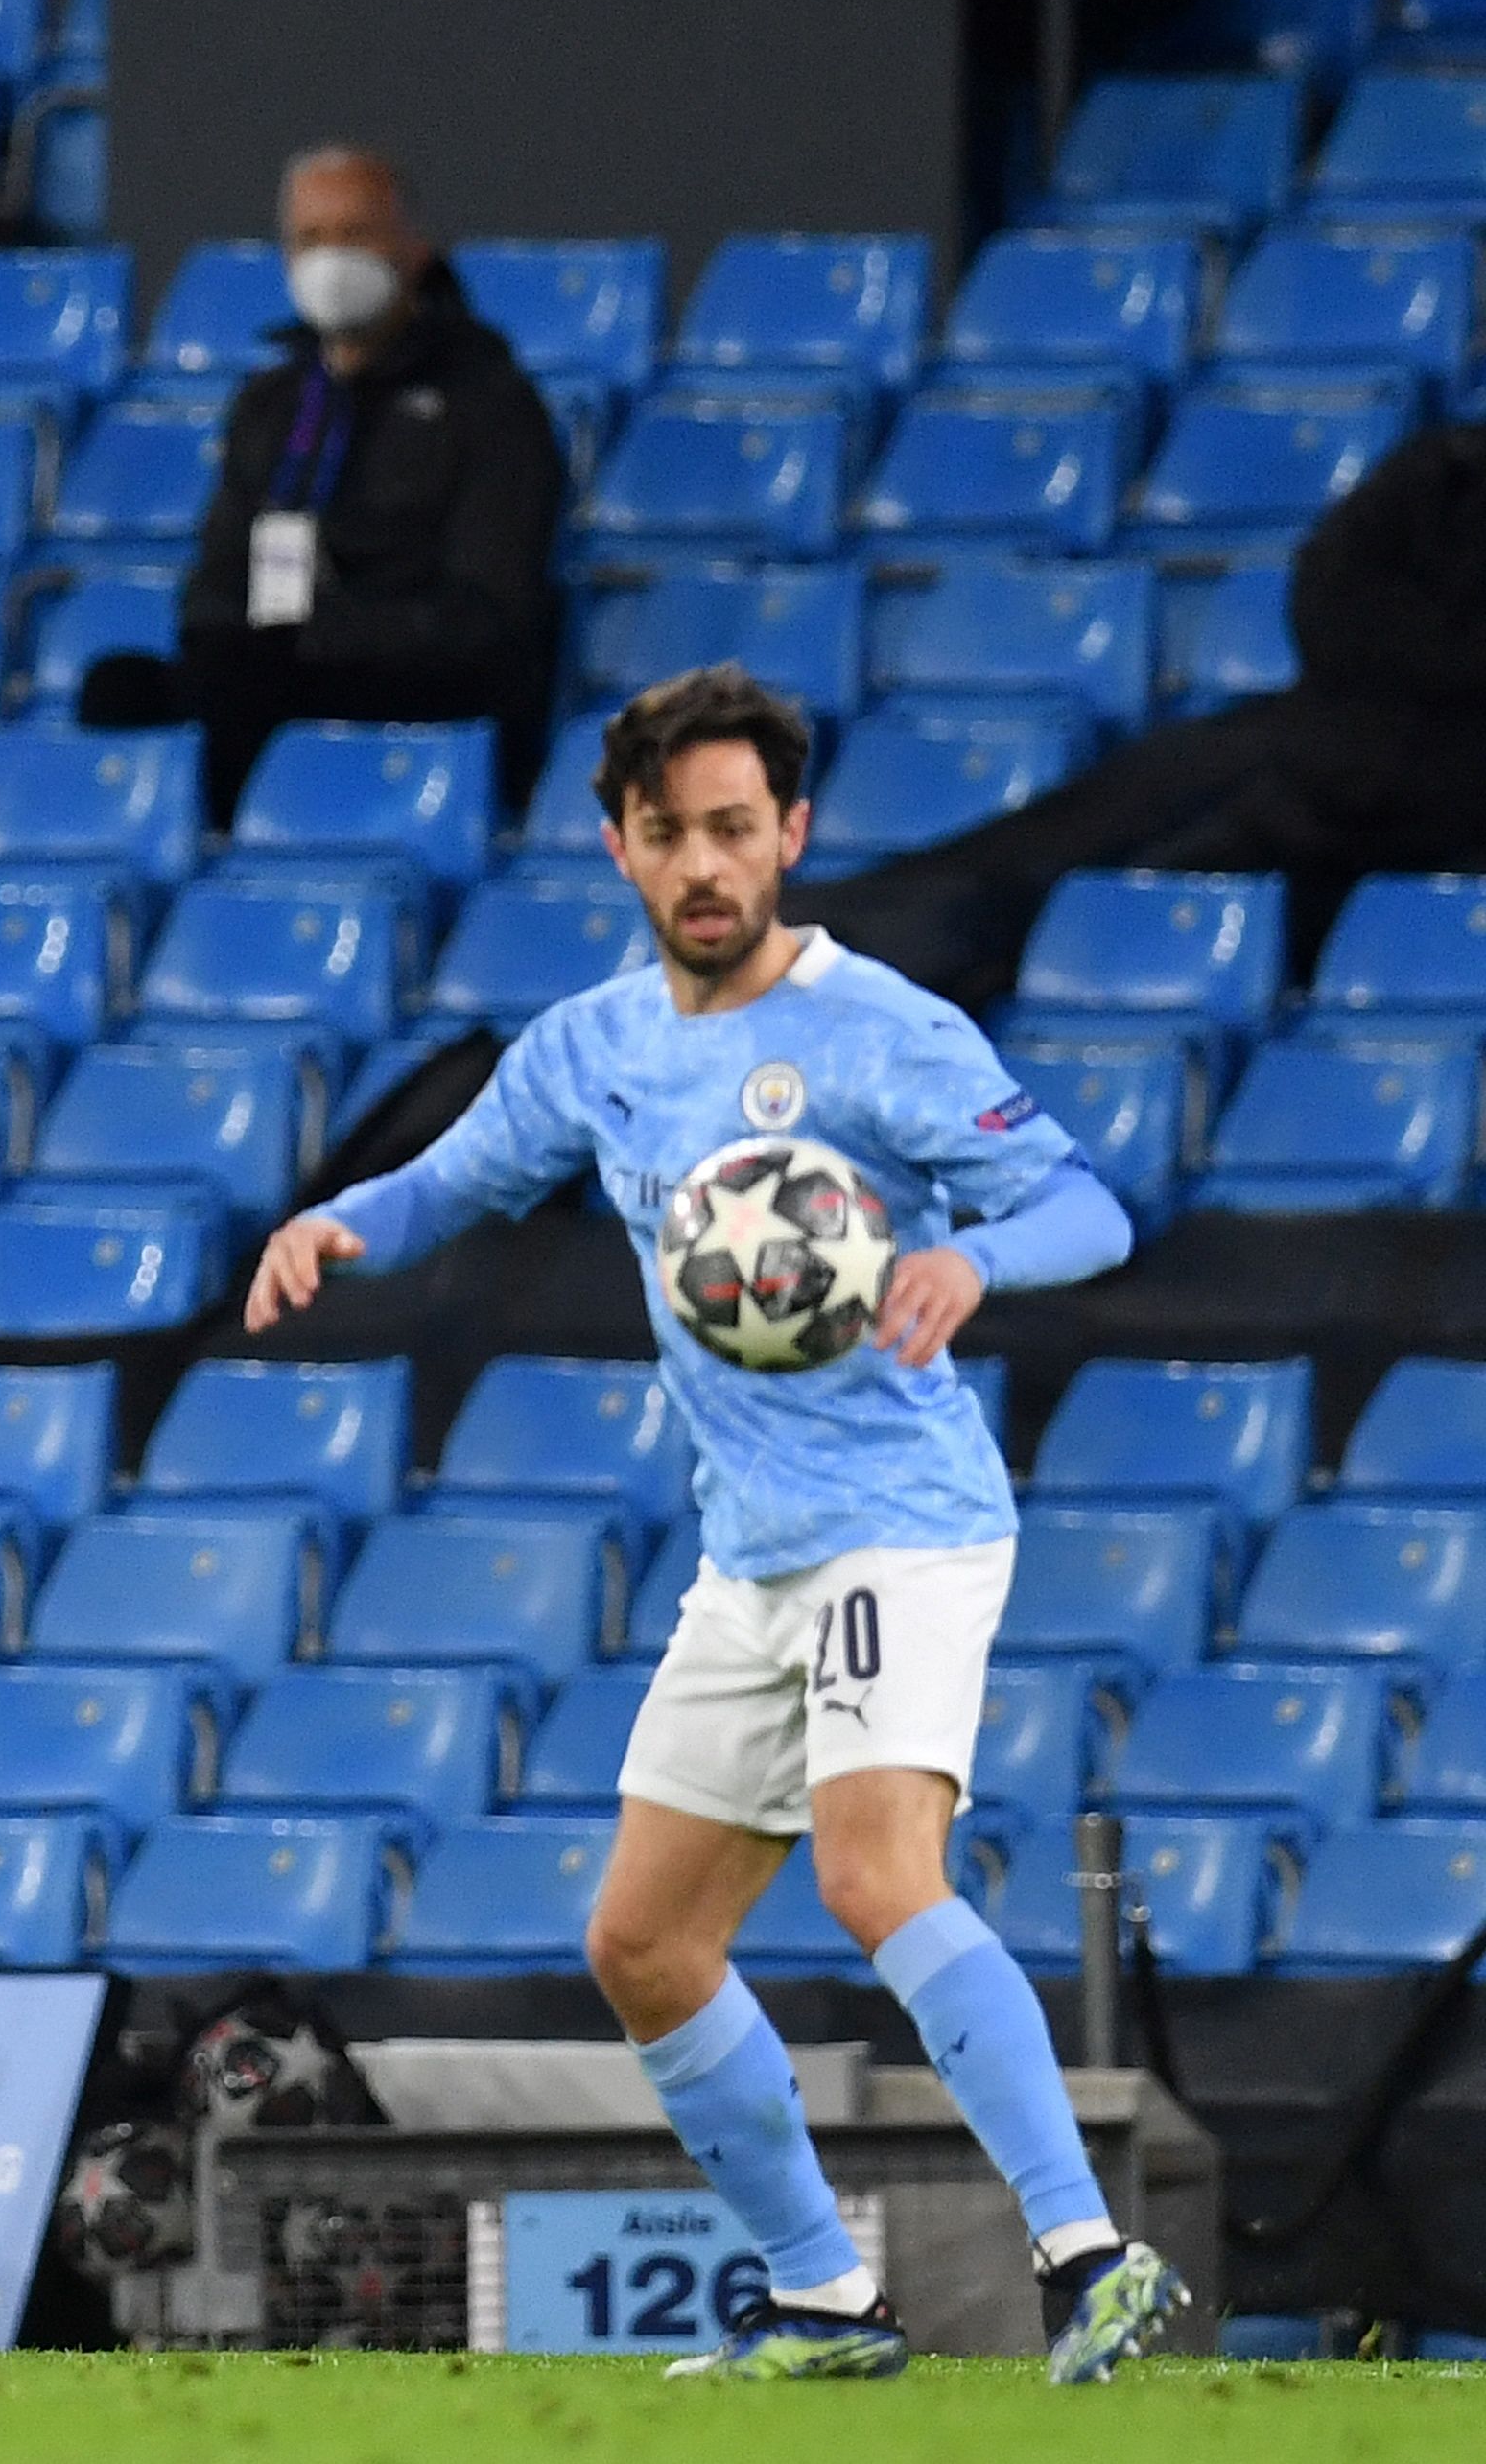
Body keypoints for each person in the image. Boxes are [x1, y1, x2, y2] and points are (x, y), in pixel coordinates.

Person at [243, 667, 1185, 2386]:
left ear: (792, 836)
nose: (704, 864)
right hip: (752, 1550)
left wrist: (974, 1256)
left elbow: (1086, 1203)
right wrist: (339, 1222)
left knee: (870, 1870)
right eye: (669, 833)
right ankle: (826, 2297)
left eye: (735, 830)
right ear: (621, 846)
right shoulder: (597, 1051)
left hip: (901, 1523)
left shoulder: (881, 1032)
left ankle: (1088, 2257)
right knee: (644, 1942)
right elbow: (458, 1176)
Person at [791, 411, 1486, 1009]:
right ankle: (856, 934)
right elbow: (1329, 586)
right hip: (1336, 733)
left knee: (1112, 885)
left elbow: (1342, 603)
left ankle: (864, 951)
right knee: (1107, 819)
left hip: (1405, 792)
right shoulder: (1449, 470)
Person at [80, 145, 565, 820]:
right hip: (281, 665)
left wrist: (322, 632)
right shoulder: (273, 402)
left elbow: (490, 611)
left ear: (413, 248)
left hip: (428, 677)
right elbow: (217, 578)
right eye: (310, 238)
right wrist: (248, 634)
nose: (331, 258)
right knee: (119, 688)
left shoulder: (490, 402)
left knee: (248, 682)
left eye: (355, 233)